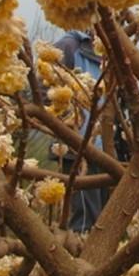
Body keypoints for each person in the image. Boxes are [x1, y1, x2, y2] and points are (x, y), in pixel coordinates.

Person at [53, 29, 111, 232]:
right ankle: (82, 258)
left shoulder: (110, 51)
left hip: (107, 150)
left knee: (106, 220)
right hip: (78, 148)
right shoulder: (69, 46)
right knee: (84, 221)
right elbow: (48, 92)